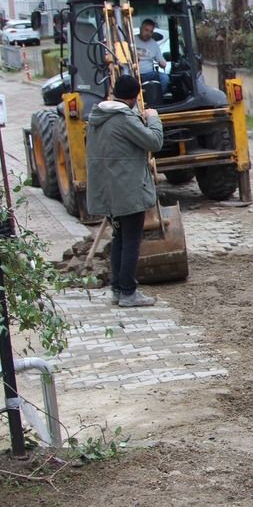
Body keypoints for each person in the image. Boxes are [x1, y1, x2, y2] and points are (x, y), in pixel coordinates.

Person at [86, 74, 164, 308]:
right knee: (131, 240)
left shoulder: (97, 118)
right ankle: (129, 292)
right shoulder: (124, 119)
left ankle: (118, 289)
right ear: (133, 97)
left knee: (119, 238)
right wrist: (153, 119)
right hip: (127, 190)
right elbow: (154, 142)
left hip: (108, 190)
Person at [133, 18, 169, 96]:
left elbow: (161, 60)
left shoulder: (154, 44)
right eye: (146, 30)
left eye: (151, 31)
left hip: (149, 74)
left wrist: (162, 63)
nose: (148, 33)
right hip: (134, 74)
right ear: (140, 29)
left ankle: (156, 97)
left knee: (165, 78)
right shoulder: (132, 41)